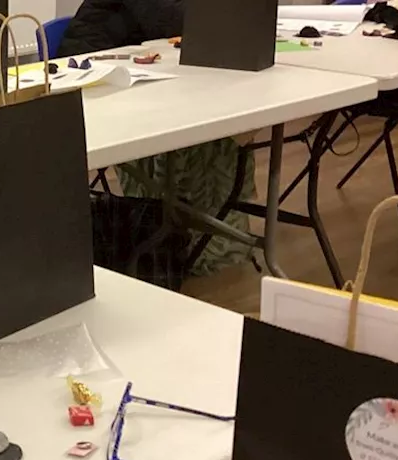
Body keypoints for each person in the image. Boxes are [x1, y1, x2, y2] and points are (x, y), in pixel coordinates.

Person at [61, 0, 256, 276]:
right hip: (88, 87)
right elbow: (185, 22)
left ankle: (196, 236)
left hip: (138, 80)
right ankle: (176, 234)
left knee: (219, 114)